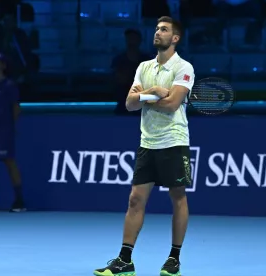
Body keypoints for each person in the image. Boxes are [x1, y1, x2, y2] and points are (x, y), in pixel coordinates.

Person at [93, 16, 195, 276]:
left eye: (164, 30)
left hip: (173, 141)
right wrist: (156, 91)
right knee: (135, 199)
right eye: (156, 28)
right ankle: (125, 260)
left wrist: (144, 96)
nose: (157, 33)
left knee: (178, 198)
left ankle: (174, 258)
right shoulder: (143, 67)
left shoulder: (184, 67)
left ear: (175, 38)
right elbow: (129, 104)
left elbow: (173, 104)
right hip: (147, 143)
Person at [0, 52, 25, 212]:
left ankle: (20, 200)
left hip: (3, 130)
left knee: (9, 162)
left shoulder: (9, 86)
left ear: (3, 66)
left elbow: (16, 108)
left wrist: (9, 127)